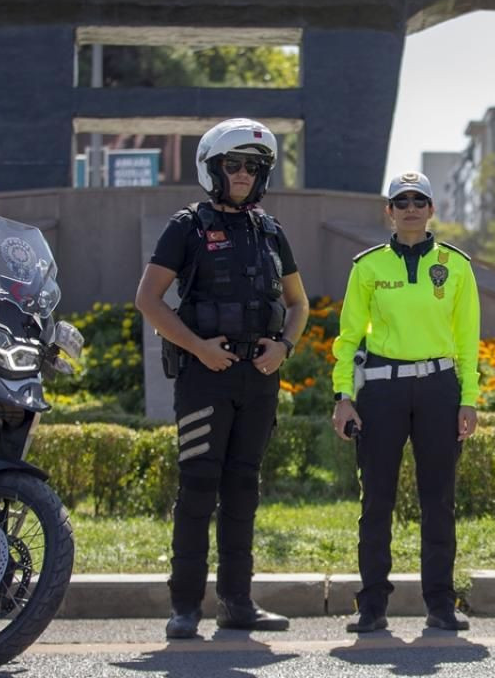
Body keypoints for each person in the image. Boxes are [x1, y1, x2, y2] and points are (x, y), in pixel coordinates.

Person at [135, 118, 310, 639]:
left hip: (258, 379)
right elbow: (148, 299)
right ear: (212, 168)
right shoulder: (186, 226)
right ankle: (184, 606)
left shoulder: (271, 230)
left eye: (252, 167)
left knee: (243, 489)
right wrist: (197, 348)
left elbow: (298, 304)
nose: (242, 174)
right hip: (204, 377)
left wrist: (284, 348)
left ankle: (237, 602)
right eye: (232, 165)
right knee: (197, 489)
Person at [330, 171, 481, 633]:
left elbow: (468, 339)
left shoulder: (456, 265)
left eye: (420, 200)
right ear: (389, 211)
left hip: (439, 389)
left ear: (432, 210)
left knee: (439, 500)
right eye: (402, 201)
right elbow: (348, 336)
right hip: (381, 391)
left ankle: (440, 603)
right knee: (376, 501)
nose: (411, 208)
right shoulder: (368, 266)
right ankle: (372, 605)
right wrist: (343, 397)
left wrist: (468, 399)